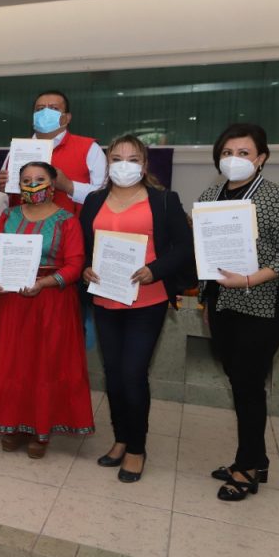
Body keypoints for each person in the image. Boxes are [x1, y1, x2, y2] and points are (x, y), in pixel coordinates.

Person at [198, 123, 279, 501]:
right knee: (239, 381)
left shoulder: (276, 199)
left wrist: (248, 279)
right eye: (227, 153)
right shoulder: (210, 195)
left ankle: (246, 468)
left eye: (243, 153)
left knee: (248, 384)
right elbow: (206, 253)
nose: (234, 159)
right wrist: (206, 301)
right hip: (222, 302)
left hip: (263, 305)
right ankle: (255, 459)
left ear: (261, 158)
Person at [80, 134, 193, 482]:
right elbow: (83, 246)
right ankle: (121, 438)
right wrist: (85, 268)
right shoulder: (94, 201)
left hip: (148, 299)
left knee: (132, 373)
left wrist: (154, 270)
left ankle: (137, 448)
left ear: (144, 165)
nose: (124, 165)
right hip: (105, 298)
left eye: (132, 159)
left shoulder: (164, 200)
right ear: (107, 163)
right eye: (116, 159)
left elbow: (184, 247)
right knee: (113, 374)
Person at [0, 161, 94, 458]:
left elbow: (75, 264)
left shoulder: (67, 220)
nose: (32, 185)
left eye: (39, 179)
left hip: (50, 302)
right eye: (26, 180)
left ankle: (40, 429)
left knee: (44, 365)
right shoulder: (9, 215)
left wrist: (45, 283)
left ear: (52, 186)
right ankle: (14, 423)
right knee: (13, 363)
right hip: (10, 300)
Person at [0, 90, 106, 215]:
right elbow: (1, 198)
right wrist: (2, 189)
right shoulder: (18, 149)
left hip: (70, 225)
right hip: (22, 224)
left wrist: (69, 186)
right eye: (40, 109)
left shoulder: (89, 148)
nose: (45, 113)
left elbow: (106, 195)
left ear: (67, 118)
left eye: (54, 108)